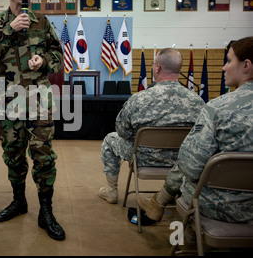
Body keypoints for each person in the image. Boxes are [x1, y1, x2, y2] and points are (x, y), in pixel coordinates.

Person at [0, 0, 65, 241]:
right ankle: (19, 201)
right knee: (13, 153)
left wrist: (45, 61)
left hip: (39, 98)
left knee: (43, 155)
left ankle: (46, 211)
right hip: (8, 98)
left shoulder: (41, 21)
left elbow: (58, 54)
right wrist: (8, 30)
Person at [137, 36, 253, 223]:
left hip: (222, 205)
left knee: (190, 161)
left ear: (246, 65)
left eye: (229, 60)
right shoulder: (198, 101)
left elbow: (191, 166)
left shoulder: (219, 108)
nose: (224, 67)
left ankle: (160, 202)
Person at [99, 48, 205, 204]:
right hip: (181, 160)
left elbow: (121, 131)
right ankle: (177, 192)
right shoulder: (197, 102)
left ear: (158, 68)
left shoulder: (139, 99)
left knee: (110, 139)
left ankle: (112, 190)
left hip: (142, 157)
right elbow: (201, 137)